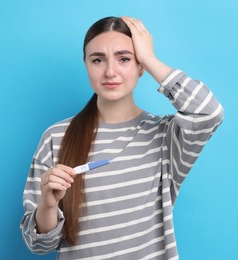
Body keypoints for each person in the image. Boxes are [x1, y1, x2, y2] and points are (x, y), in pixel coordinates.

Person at [21, 16, 224, 259]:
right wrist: (48, 205)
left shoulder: (165, 136)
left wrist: (149, 59)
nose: (110, 71)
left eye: (124, 58)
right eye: (97, 60)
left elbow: (209, 112)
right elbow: (38, 246)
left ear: (140, 67)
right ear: (86, 64)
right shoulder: (56, 137)